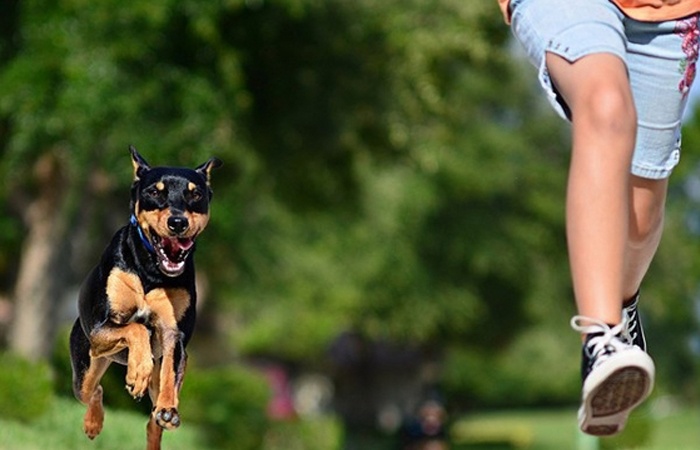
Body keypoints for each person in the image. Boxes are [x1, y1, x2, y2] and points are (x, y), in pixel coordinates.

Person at [497, 0, 700, 437]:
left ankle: (622, 308)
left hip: (668, 12)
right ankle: (601, 339)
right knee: (606, 107)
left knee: (640, 220)